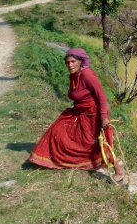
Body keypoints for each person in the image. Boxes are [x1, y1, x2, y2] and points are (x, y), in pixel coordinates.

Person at [29, 48, 125, 184]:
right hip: (80, 113)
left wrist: (103, 117)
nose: (70, 65)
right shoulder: (73, 75)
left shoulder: (87, 75)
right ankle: (60, 159)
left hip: (95, 115)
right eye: (67, 62)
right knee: (59, 130)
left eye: (73, 62)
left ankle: (119, 173)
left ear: (81, 62)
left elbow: (102, 97)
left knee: (102, 143)